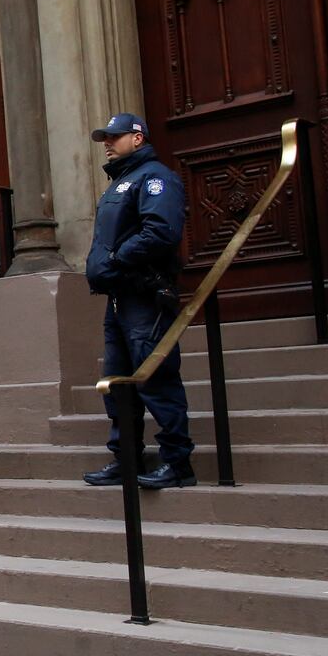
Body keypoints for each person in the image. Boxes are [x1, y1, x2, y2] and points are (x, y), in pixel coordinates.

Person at [82, 113, 196, 488]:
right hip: (119, 298)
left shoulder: (155, 177)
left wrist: (115, 260)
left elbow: (161, 232)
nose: (108, 144)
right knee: (117, 384)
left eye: (115, 137)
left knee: (157, 378)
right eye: (105, 139)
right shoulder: (120, 183)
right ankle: (127, 459)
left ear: (138, 138)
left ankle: (177, 463)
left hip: (144, 296)